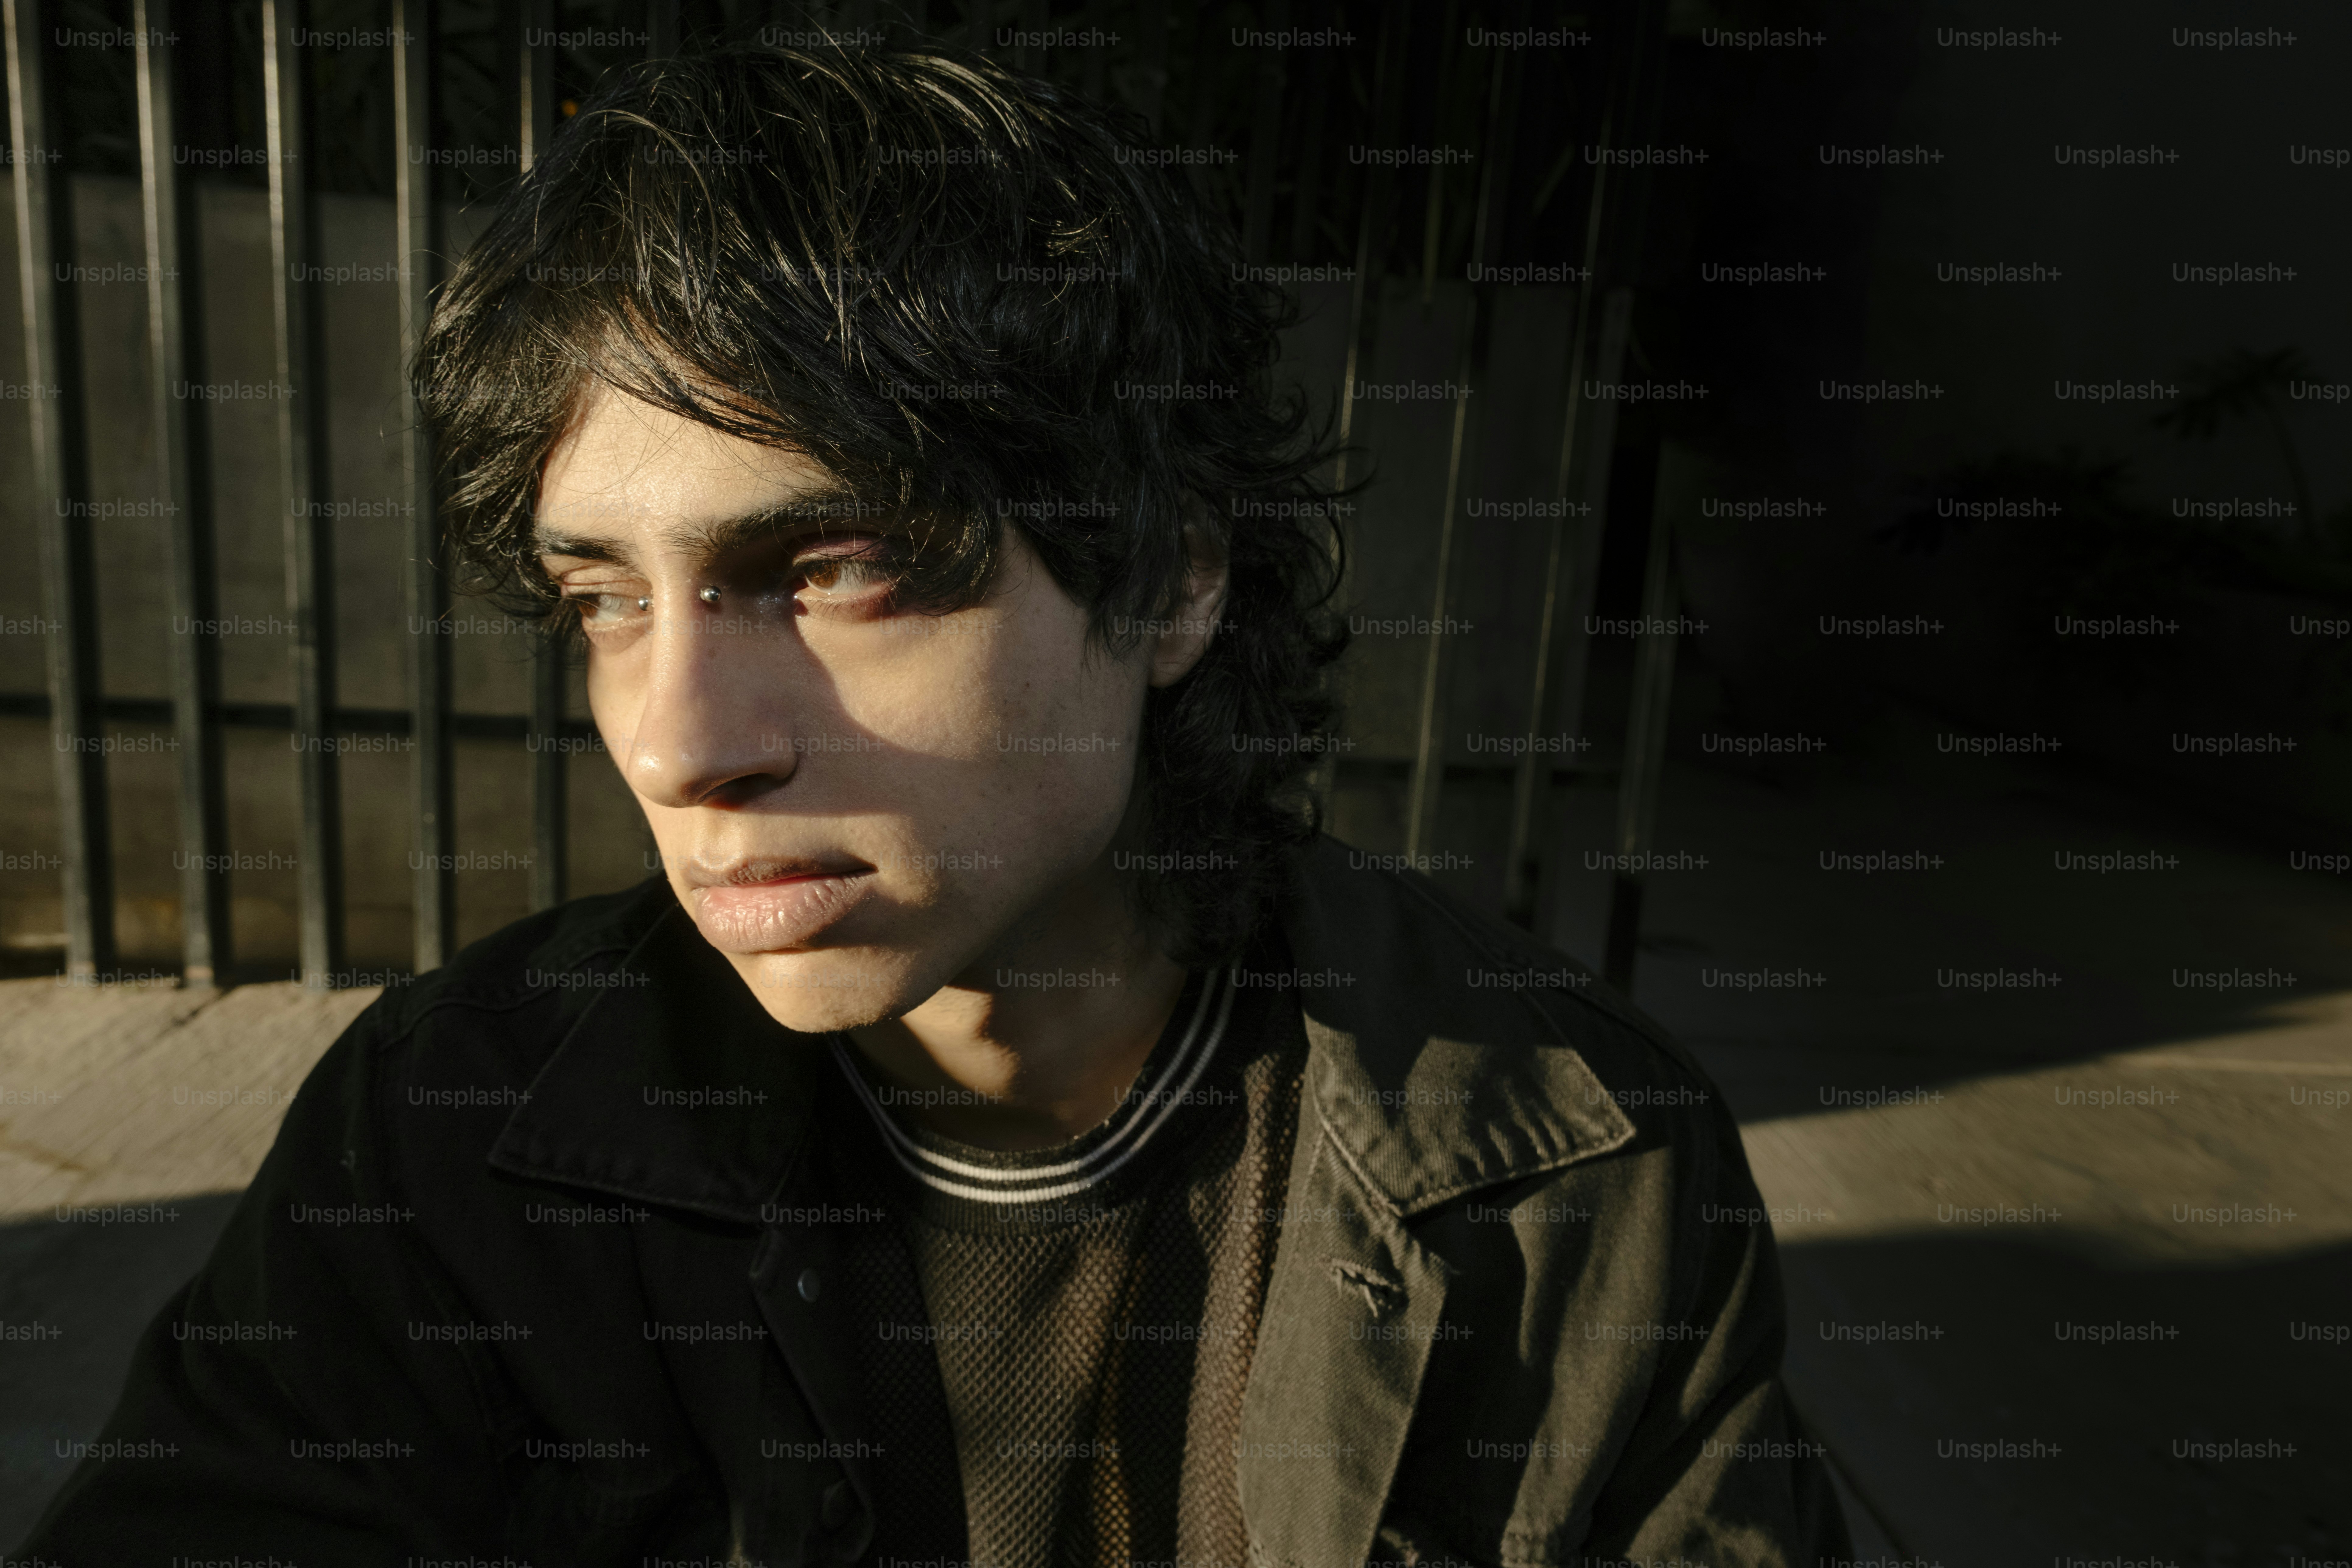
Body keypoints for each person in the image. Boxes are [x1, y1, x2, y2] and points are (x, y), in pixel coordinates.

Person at [18, 39, 1848, 1567]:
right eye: (605, 600)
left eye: (836, 571)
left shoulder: (1572, 1171)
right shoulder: (444, 1139)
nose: (676, 743)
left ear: (1170, 579)